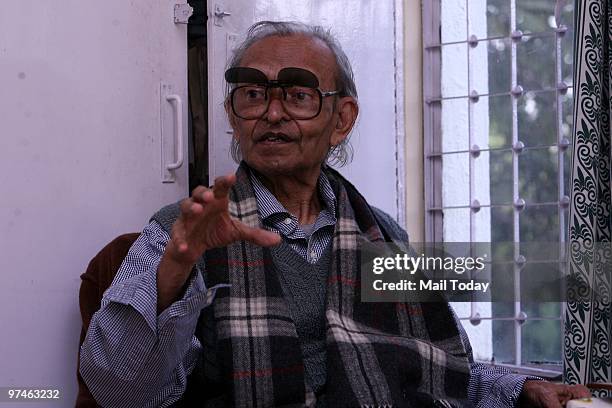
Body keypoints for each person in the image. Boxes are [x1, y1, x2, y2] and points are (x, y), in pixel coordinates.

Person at [79, 21, 590, 407]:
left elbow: (443, 369)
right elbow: (116, 390)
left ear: (341, 118)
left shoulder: (382, 234)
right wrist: (172, 273)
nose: (272, 114)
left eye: (298, 96)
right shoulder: (181, 230)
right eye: (253, 95)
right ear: (234, 116)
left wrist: (527, 389)